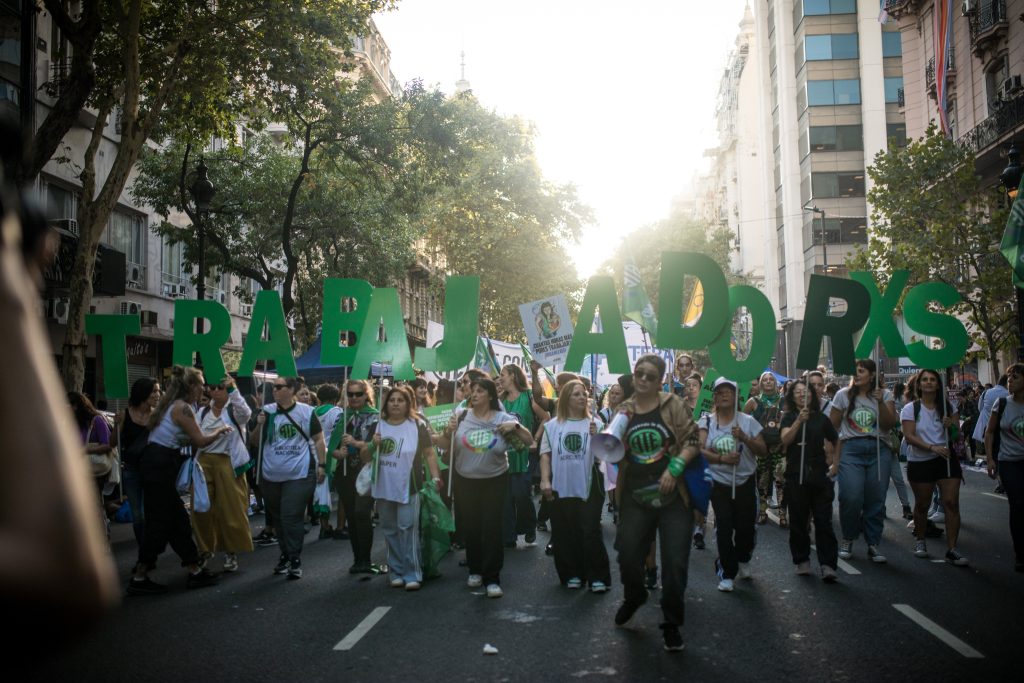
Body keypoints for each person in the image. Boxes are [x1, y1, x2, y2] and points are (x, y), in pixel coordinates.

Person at [612, 353, 701, 654]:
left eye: (651, 376)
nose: (643, 380)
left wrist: (674, 469)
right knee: (626, 552)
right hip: (636, 495)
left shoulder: (671, 405)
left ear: (660, 380)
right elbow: (613, 449)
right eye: (639, 374)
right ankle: (634, 596)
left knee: (675, 563)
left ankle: (671, 624)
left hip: (673, 496)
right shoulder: (623, 409)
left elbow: (692, 440)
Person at [128, 366, 233, 595]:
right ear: (191, 386)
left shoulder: (170, 405)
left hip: (156, 464)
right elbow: (201, 441)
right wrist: (221, 430)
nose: (204, 388)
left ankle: (194, 569)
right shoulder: (182, 408)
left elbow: (179, 436)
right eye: (201, 384)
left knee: (177, 520)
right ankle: (140, 575)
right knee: (160, 523)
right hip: (159, 466)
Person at [443, 377, 534, 599]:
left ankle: (492, 578)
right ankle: (475, 570)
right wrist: (448, 431)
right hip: (465, 479)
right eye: (472, 390)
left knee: (492, 527)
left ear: (491, 395)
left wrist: (517, 425)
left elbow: (528, 441)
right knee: (472, 526)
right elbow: (445, 445)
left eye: (480, 391)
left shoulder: (503, 418)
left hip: (495, 479)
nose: (474, 394)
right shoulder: (461, 415)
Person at [363, 385, 441, 591]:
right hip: (383, 487)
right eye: (392, 400)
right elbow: (364, 456)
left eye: (400, 400)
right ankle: (395, 571)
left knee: (408, 529)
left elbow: (429, 453)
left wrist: (435, 477)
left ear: (408, 404)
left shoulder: (416, 425)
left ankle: (412, 573)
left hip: (410, 487)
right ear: (386, 404)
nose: (396, 403)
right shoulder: (377, 426)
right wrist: (372, 444)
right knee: (389, 530)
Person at [539, 380, 611, 592]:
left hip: (589, 485)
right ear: (566, 398)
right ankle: (572, 573)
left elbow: (604, 458)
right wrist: (545, 480)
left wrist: (597, 437)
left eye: (584, 393)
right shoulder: (552, 426)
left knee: (589, 530)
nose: (582, 397)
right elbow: (545, 454)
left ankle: (597, 576)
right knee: (564, 531)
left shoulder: (596, 424)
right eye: (576, 394)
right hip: (561, 485)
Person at [254, 376, 326, 580]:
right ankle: (285, 554)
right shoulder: (266, 411)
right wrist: (259, 425)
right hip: (270, 476)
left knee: (290, 516)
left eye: (279, 387)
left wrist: (322, 465)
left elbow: (319, 439)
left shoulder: (306, 412)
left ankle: (294, 558)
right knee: (278, 519)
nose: (274, 390)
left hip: (300, 474)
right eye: (273, 387)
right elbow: (254, 442)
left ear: (291, 390)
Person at [700, 378, 766, 593]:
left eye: (730, 391)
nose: (725, 394)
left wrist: (745, 438)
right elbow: (698, 450)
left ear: (737, 396)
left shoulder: (747, 421)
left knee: (745, 528)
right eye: (720, 392)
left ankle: (744, 557)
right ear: (715, 397)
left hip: (745, 481)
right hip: (718, 484)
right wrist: (721, 460)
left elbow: (763, 450)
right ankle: (727, 573)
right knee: (724, 527)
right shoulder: (706, 422)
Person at [829, 359, 897, 564]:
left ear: (873, 375)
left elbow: (888, 425)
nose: (857, 375)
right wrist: (833, 456)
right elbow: (832, 426)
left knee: (876, 498)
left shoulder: (885, 395)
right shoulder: (842, 395)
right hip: (851, 449)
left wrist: (879, 403)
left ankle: (873, 543)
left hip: (879, 449)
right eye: (855, 372)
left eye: (861, 371)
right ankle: (848, 538)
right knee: (851, 495)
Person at [901, 369, 968, 566]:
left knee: (951, 503)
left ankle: (952, 549)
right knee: (922, 504)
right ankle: (920, 540)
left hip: (946, 460)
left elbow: (955, 436)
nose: (929, 383)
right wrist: (931, 447)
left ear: (938, 384)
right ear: (919, 385)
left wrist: (951, 427)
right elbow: (909, 436)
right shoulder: (910, 409)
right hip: (921, 461)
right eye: (925, 380)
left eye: (932, 380)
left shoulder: (948, 407)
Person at [779, 379, 840, 581]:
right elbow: (785, 440)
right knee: (798, 520)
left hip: (819, 474)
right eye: (797, 391)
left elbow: (836, 439)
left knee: (823, 521)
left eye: (806, 391)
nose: (802, 394)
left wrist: (835, 464)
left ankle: (828, 564)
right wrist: (799, 421)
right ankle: (802, 560)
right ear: (791, 395)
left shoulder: (822, 418)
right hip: (796, 474)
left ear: (812, 395)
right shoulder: (788, 417)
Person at [193, 376, 254, 573]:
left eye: (221, 387)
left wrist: (232, 389)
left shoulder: (233, 410)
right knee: (201, 508)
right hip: (204, 462)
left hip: (228, 462)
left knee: (231, 509)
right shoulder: (201, 412)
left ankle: (231, 552)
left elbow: (246, 413)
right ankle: (205, 549)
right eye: (213, 387)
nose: (217, 390)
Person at [497, 364, 547, 548]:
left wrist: (535, 439)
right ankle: (508, 536)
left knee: (521, 493)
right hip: (504, 454)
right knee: (505, 497)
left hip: (524, 453)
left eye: (503, 375)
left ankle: (529, 525)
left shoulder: (528, 397)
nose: (500, 379)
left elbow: (546, 417)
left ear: (513, 376)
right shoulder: (499, 400)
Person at [333, 379, 380, 574]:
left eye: (358, 394)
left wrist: (355, 442)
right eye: (350, 394)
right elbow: (330, 448)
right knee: (352, 516)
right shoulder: (342, 418)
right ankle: (358, 559)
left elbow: (376, 445)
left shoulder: (377, 418)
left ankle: (367, 559)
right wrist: (338, 453)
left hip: (366, 471)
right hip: (345, 471)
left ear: (366, 395)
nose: (353, 398)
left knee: (362, 513)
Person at [984, 363, 1024, 573]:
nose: (1010, 381)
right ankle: (1020, 553)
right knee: (1017, 504)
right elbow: (989, 432)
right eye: (1008, 377)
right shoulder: (1001, 404)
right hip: (1008, 461)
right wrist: (990, 459)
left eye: (1015, 377)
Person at [119, 377, 162, 548]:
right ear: (143, 393)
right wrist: (116, 426)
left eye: (158, 391)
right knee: (138, 515)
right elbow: (111, 443)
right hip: (132, 471)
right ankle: (144, 548)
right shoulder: (124, 414)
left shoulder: (159, 416)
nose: (158, 394)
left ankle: (150, 547)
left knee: (152, 512)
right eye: (154, 391)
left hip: (154, 470)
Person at [744, 371, 786, 527]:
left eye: (771, 379)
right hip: (761, 449)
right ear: (761, 384)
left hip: (780, 447)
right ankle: (762, 512)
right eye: (765, 380)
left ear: (776, 383)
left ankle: (783, 515)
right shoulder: (753, 402)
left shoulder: (785, 401)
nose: (768, 382)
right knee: (762, 481)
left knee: (781, 481)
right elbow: (742, 420)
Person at [68, 392, 113, 502]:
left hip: (94, 470)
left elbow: (107, 445)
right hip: (77, 469)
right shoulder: (71, 422)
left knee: (93, 502)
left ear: (76, 406)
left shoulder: (96, 420)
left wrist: (86, 450)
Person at [313, 384, 343, 538]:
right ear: (335, 399)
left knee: (320, 489)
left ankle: (324, 525)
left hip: (314, 455)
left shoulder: (312, 411)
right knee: (329, 490)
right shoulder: (337, 412)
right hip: (331, 456)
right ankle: (330, 526)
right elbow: (340, 433)